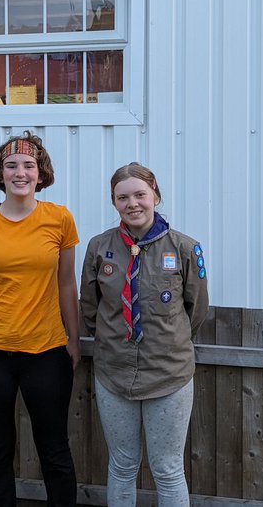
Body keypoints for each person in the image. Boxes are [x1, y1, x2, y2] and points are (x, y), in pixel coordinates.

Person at [0, 131, 80, 507]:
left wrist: (73, 341)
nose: (20, 173)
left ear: (41, 174)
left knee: (54, 449)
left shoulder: (59, 219)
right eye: (12, 166)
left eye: (29, 165)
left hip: (47, 352)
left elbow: (67, 285)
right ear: (0, 173)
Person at [80, 162, 210, 507]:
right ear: (114, 202)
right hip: (114, 373)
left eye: (140, 194)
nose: (132, 203)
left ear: (156, 195)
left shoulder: (184, 249)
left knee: (167, 469)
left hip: (169, 373)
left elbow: (196, 310)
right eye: (123, 197)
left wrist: (166, 340)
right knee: (122, 465)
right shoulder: (98, 248)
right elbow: (90, 308)